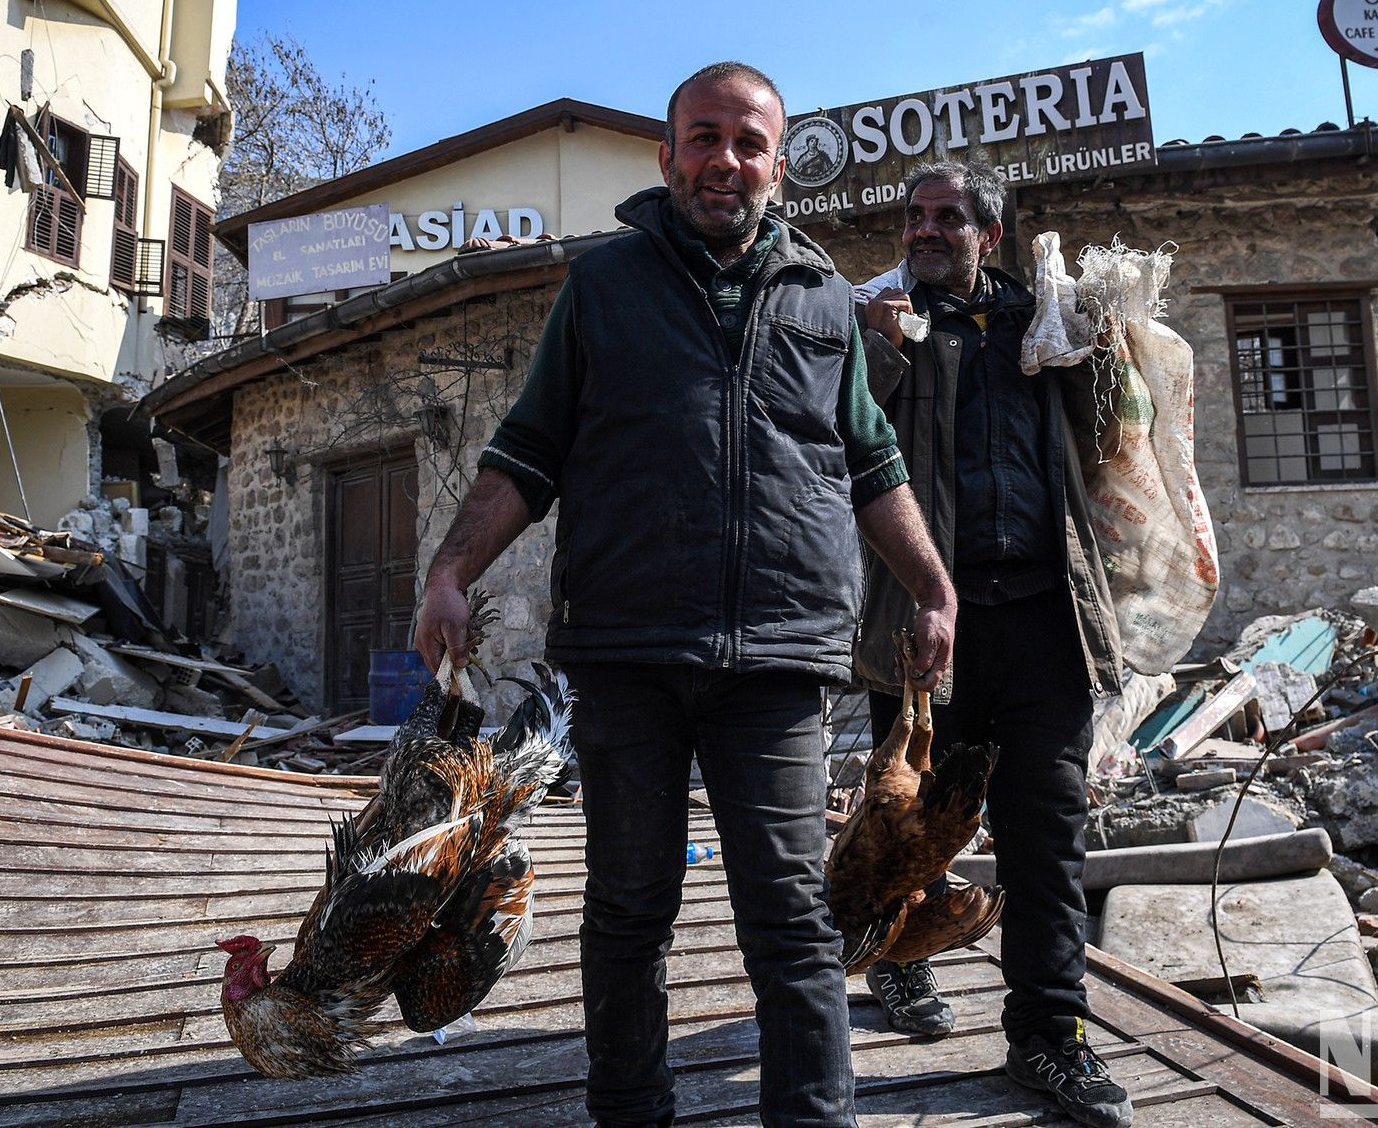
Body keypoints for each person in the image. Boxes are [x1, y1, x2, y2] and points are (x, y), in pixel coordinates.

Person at [414, 62, 957, 1128]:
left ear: (778, 167)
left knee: (792, 917)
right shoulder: (602, 287)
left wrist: (932, 588)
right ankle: (631, 1112)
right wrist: (448, 571)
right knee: (628, 910)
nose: (725, 160)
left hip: (778, 657)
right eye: (703, 137)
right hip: (628, 650)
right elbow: (529, 449)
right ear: (666, 157)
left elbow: (870, 459)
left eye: (749, 142)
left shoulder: (824, 299)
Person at [853, 162, 1133, 1128]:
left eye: (948, 217)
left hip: (1045, 619)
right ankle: (899, 962)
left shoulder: (1041, 325)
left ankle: (1050, 1035)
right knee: (912, 822)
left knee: (1046, 838)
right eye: (914, 216)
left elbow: (1109, 437)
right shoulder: (882, 322)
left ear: (991, 234)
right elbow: (840, 440)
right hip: (924, 622)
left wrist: (1101, 343)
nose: (925, 230)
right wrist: (878, 349)